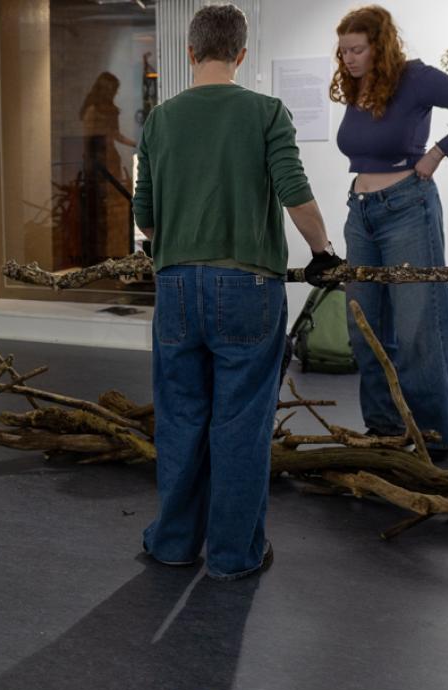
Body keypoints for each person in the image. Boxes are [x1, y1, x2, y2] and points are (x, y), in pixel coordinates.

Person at [133, 3, 340, 580]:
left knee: (179, 418)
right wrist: (323, 252)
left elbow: (144, 216)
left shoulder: (160, 120)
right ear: (242, 55)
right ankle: (232, 555)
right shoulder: (266, 112)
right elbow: (294, 191)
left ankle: (173, 543)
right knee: (241, 425)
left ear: (191, 52)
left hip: (175, 286)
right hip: (248, 287)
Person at [331, 5, 448, 462]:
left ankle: (440, 432)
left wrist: (439, 151)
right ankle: (385, 425)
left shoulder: (416, 77)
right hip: (360, 212)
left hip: (408, 208)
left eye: (357, 49)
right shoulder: (356, 84)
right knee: (363, 323)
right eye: (343, 50)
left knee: (418, 325)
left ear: (379, 45)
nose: (347, 58)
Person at [79, 72, 138, 265]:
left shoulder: (110, 110)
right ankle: (100, 255)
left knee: (116, 204)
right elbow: (90, 139)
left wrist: (137, 143)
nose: (115, 92)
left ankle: (115, 252)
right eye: (113, 89)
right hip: (97, 163)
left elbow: (115, 134)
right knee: (100, 206)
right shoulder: (93, 110)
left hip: (110, 159)